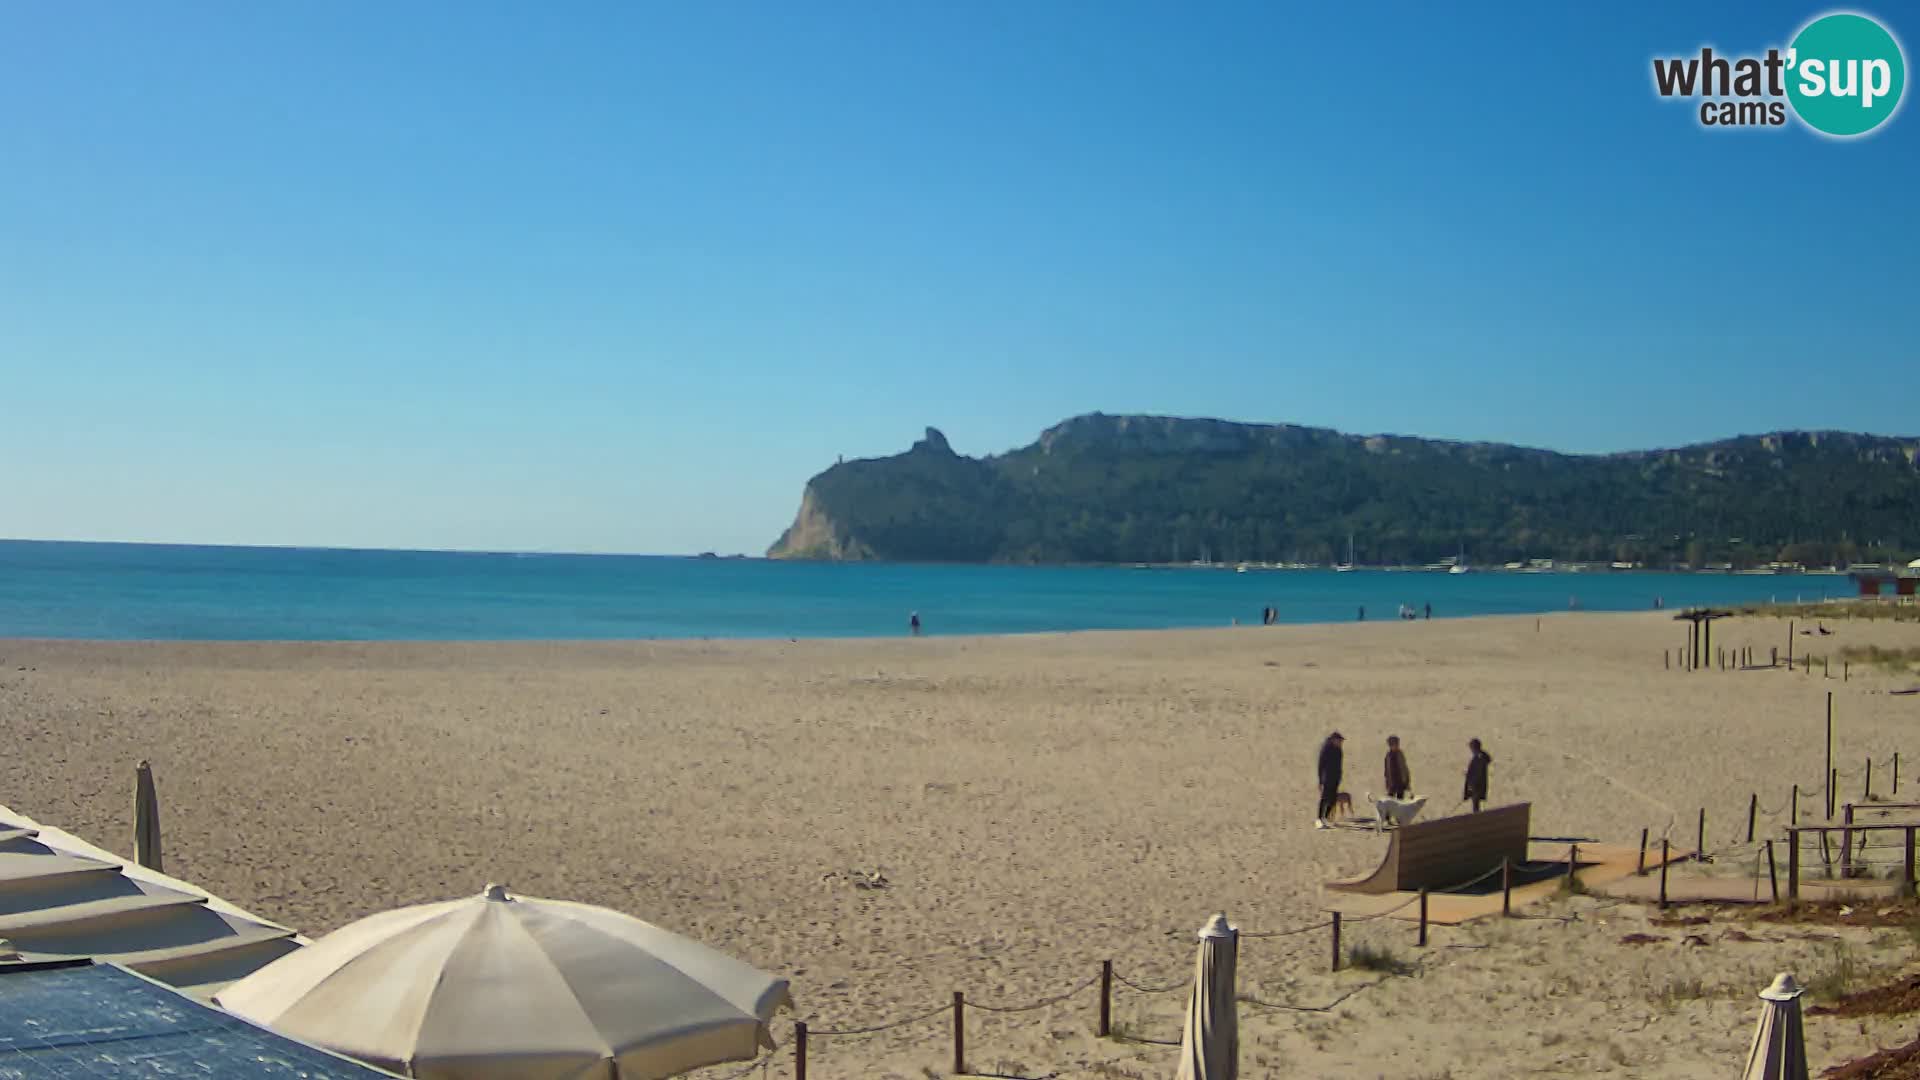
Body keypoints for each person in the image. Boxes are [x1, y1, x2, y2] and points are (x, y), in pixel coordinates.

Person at [1315, 731, 1345, 829]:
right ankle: (1319, 819)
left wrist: (1340, 777)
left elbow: (1339, 765)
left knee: (1332, 799)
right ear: (1333, 740)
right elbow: (1321, 765)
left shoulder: (1339, 751)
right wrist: (1320, 780)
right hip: (1327, 778)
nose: (1341, 743)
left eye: (1341, 741)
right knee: (1324, 798)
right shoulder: (1326, 750)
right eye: (1339, 741)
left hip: (1336, 778)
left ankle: (1326, 818)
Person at [1463, 738, 1492, 812]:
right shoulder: (1479, 757)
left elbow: (1478, 773)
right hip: (1477, 786)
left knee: (1476, 807)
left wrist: (1472, 785)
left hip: (1476, 787)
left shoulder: (1479, 758)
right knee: (1476, 806)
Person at [1384, 736, 1411, 800]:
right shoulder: (1388, 756)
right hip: (1392, 783)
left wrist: (1407, 781)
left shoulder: (1400, 754)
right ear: (1390, 746)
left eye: (1397, 744)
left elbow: (1404, 768)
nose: (1395, 746)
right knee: (1390, 801)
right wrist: (1387, 782)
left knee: (1400, 801)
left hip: (1400, 782)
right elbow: (1387, 770)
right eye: (1393, 745)